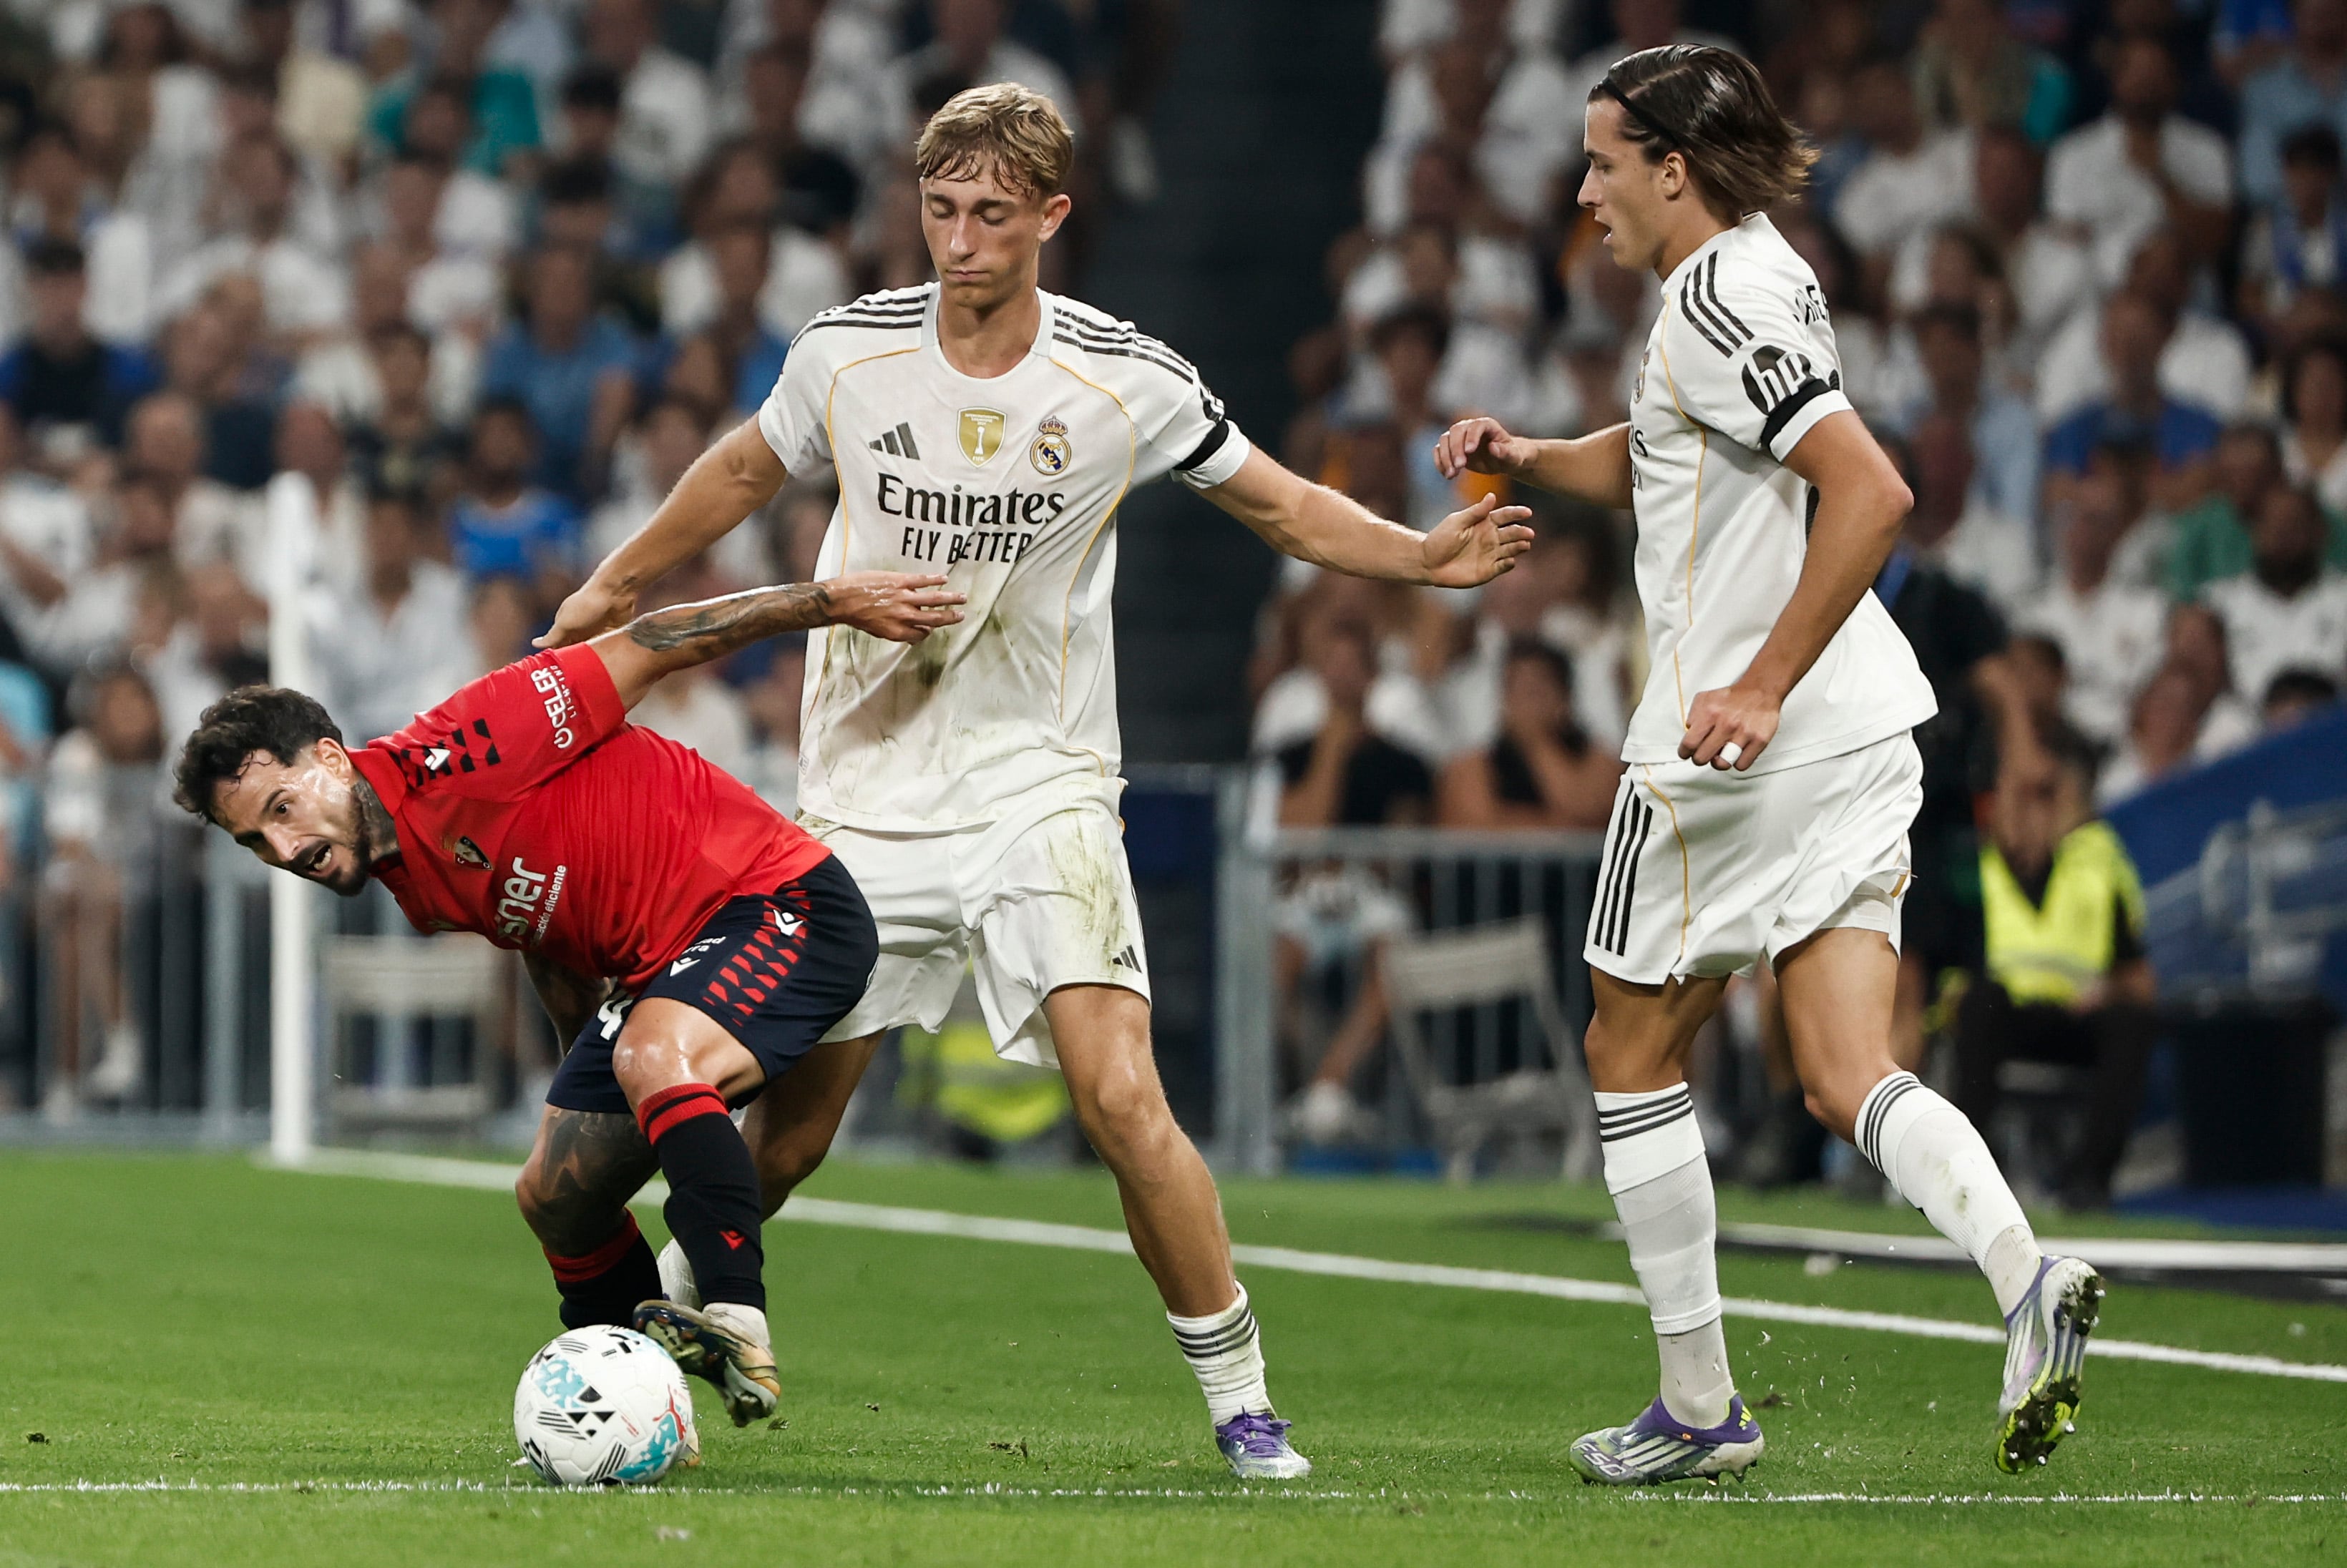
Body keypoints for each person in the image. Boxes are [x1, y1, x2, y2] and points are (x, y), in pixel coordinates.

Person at [540, 83, 1531, 1481]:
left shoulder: (1124, 378)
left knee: (1119, 1096)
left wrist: (1423, 555)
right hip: (864, 794)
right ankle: (663, 1332)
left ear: (1053, 216)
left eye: (991, 214)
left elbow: (1275, 501)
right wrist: (615, 582)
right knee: (794, 1134)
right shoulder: (847, 353)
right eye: (938, 209)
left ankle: (1246, 1407)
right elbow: (740, 469)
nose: (958, 240)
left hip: (1039, 786)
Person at [1433, 44, 2101, 1483]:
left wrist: (1752, 681)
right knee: (1844, 1068)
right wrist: (1537, 454)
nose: (1583, 187)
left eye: (1604, 159)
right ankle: (2024, 1272)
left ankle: (1694, 1405)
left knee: (1624, 1045)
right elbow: (1693, 450)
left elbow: (1870, 490)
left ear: (1670, 164)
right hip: (1863, 729)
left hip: (1740, 744)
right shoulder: (1758, 271)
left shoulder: (1710, 294)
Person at [173, 564, 962, 1439]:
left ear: (329, 757)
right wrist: (575, 1076)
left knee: (658, 1060)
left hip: (777, 901)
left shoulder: (478, 735)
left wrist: (830, 602)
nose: (285, 848)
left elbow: (664, 639)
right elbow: (543, 932)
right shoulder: (413, 880)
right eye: (256, 840)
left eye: (283, 808)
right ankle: (640, 1404)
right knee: (553, 1191)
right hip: (661, 971)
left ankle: (739, 1320)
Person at [1953, 725, 2157, 1211]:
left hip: (2072, 1017)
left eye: (2048, 797)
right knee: (1980, 1001)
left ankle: (2088, 1181)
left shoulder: (2098, 865)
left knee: (2133, 1021)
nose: (2036, 811)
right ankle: (1968, 1174)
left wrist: (2108, 992)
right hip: (2003, 1015)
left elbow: (2140, 981)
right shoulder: (1972, 863)